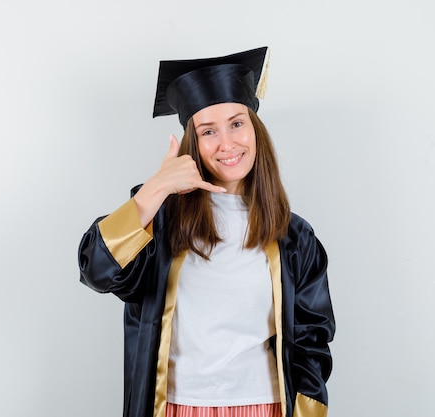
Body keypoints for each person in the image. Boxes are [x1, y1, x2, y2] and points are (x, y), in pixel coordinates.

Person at [78, 46, 335, 417]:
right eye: (208, 131)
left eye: (236, 123)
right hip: (176, 407)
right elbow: (96, 271)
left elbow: (312, 339)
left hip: (265, 407)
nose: (227, 143)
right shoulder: (160, 223)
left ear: (255, 130)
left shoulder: (294, 237)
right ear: (192, 144)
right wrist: (154, 189)